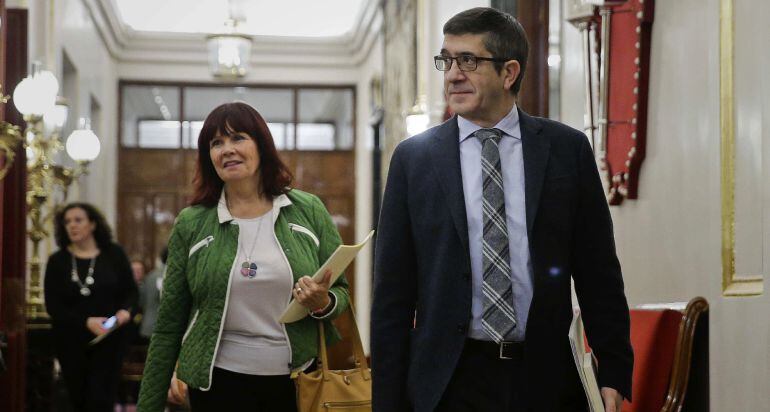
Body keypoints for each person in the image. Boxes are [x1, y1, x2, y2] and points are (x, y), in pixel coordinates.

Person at [371, 7, 633, 412]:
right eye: (447, 60)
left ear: (509, 73)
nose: (453, 74)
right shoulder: (414, 160)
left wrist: (614, 369)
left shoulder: (566, 150)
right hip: (448, 382)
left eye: (469, 61)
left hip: (545, 377)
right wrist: (386, 401)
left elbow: (598, 271)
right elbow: (393, 291)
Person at [136, 101, 350, 412]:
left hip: (297, 380)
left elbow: (340, 291)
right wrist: (149, 405)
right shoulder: (192, 222)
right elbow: (169, 322)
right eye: (216, 143)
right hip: (218, 382)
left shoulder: (308, 210)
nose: (227, 150)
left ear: (261, 145)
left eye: (238, 138)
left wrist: (323, 303)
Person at [44, 202, 139, 412]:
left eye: (78, 220)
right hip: (71, 341)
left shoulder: (114, 254)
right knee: (77, 398)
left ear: (93, 224)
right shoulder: (57, 261)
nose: (72, 226)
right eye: (67, 222)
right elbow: (53, 306)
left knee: (101, 398)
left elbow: (131, 292)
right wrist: (86, 321)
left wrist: (125, 312)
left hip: (110, 340)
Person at [137, 247, 168, 343]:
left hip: (148, 325)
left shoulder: (150, 276)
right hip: (166, 327)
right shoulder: (172, 275)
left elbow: (141, 301)